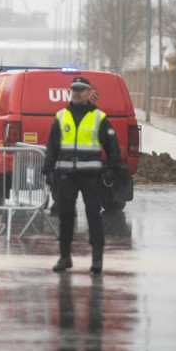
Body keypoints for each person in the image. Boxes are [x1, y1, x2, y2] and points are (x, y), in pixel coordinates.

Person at [43, 76, 121, 274]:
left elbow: (112, 147)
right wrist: (48, 170)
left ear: (89, 93)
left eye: (81, 89)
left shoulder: (99, 117)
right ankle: (65, 257)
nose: (77, 92)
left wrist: (112, 169)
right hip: (66, 176)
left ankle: (96, 260)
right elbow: (52, 146)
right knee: (66, 216)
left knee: (93, 216)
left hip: (91, 176)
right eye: (74, 89)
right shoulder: (61, 116)